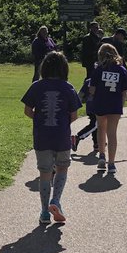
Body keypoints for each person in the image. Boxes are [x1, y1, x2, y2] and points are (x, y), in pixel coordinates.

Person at [22, 51, 81, 225]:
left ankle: (44, 212)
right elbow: (74, 115)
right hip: (61, 136)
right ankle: (56, 201)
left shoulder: (36, 86)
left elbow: (27, 110)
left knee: (45, 172)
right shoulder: (68, 87)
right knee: (62, 168)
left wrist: (39, 119)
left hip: (42, 136)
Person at [89, 43, 127, 176]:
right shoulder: (122, 70)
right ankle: (111, 163)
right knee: (112, 133)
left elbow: (92, 90)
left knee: (101, 128)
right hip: (115, 104)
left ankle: (101, 155)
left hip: (100, 102)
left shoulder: (98, 70)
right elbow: (124, 91)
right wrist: (121, 104)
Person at [72, 74, 99, 153]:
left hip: (89, 106)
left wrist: (76, 105)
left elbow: (80, 94)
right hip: (98, 106)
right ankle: (78, 137)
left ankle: (96, 143)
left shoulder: (88, 81)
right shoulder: (102, 80)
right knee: (95, 125)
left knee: (94, 124)